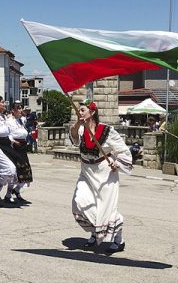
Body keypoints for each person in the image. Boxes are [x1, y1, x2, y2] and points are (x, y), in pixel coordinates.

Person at [70, 100, 132, 253]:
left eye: (82, 110)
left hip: (105, 173)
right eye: (79, 110)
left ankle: (119, 240)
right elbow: (74, 138)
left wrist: (117, 163)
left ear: (92, 113)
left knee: (105, 208)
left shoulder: (107, 130)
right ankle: (96, 230)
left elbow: (123, 150)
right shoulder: (80, 129)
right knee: (80, 202)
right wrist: (77, 123)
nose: (79, 112)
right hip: (86, 171)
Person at [5, 101, 33, 203]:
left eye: (21, 108)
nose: (21, 110)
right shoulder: (9, 121)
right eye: (18, 108)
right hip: (14, 146)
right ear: (13, 110)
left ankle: (16, 190)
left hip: (22, 146)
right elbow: (7, 134)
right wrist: (13, 141)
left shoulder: (21, 120)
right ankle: (8, 194)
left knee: (25, 170)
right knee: (15, 171)